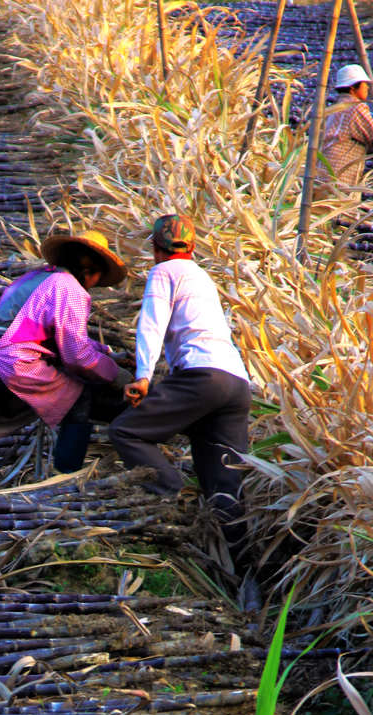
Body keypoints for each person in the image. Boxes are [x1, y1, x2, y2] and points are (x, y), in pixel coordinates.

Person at [108, 214, 258, 609]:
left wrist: (142, 377)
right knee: (225, 490)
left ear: (157, 249)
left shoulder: (164, 272)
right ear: (192, 247)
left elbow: (151, 326)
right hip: (236, 384)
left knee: (127, 432)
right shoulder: (201, 276)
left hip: (201, 376)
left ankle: (173, 499)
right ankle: (251, 585)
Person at [0, 229, 133, 484]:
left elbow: (48, 332)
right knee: (78, 399)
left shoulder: (29, 280)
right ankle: (66, 482)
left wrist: (108, 353)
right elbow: (76, 355)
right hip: (16, 364)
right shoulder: (70, 288)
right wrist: (115, 374)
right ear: (89, 271)